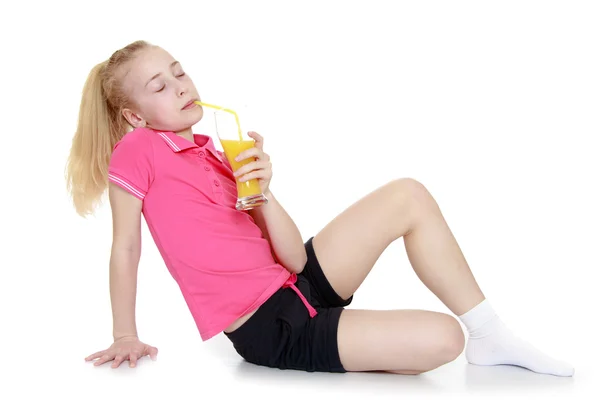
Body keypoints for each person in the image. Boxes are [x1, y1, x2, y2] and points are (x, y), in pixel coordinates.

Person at [66, 40, 574, 377]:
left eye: (179, 72)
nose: (181, 86)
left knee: (407, 193)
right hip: (274, 328)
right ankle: (459, 339)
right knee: (444, 340)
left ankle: (492, 333)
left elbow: (290, 258)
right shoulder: (140, 149)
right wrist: (125, 333)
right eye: (160, 85)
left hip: (295, 282)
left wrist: (262, 188)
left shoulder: (215, 153)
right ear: (134, 115)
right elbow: (126, 245)